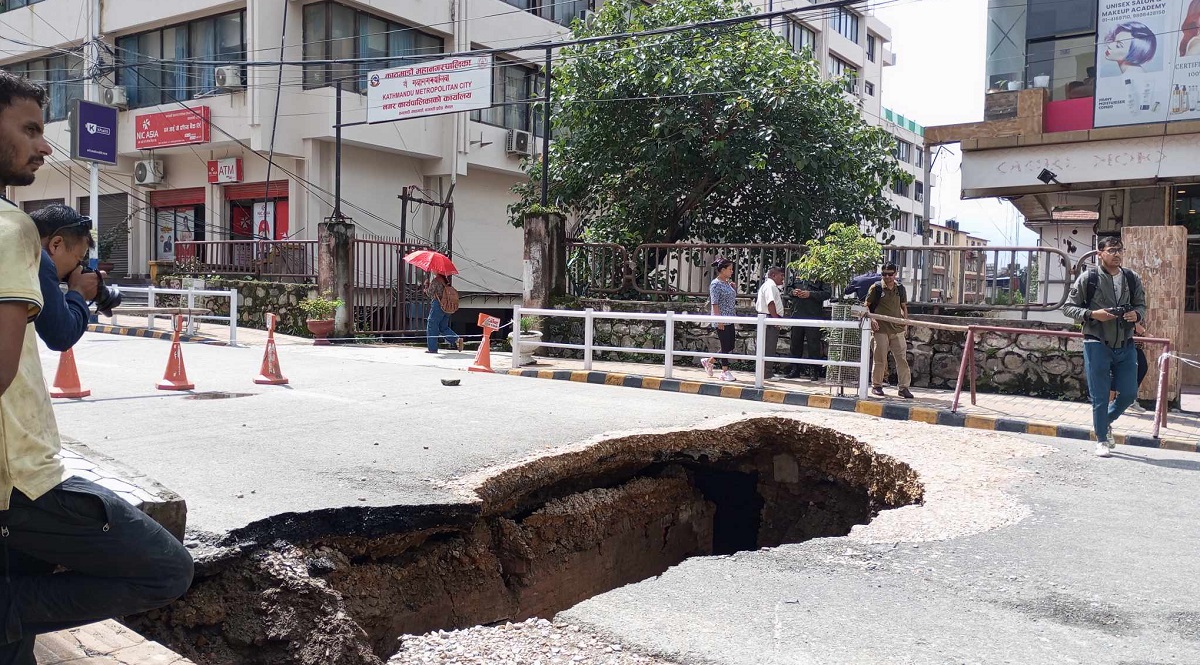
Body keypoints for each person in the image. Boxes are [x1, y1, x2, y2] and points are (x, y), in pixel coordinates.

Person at [0, 71, 193, 662]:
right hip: (23, 481)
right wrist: (77, 297)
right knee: (166, 570)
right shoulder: (11, 228)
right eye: (31, 128)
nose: (44, 145)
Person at [1063, 236, 1146, 458]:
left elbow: (1142, 305)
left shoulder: (1131, 277)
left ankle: (1104, 422)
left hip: (1126, 343)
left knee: (1129, 393)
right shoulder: (1088, 278)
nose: (1117, 254)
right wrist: (1092, 314)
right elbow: (1068, 308)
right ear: (1100, 254)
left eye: (1120, 250)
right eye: (1111, 250)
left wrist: (1136, 314)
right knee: (1100, 395)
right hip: (1096, 342)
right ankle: (1101, 440)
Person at [30, 204, 100, 351]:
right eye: (78, 259)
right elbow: (61, 336)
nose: (78, 267)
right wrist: (79, 291)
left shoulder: (16, 245)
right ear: (56, 244)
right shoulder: (38, 259)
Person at [865, 263, 914, 399]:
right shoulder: (876, 288)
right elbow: (866, 306)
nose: (887, 277)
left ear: (895, 274)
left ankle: (904, 388)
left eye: (890, 274)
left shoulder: (900, 288)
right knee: (880, 359)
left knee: (902, 360)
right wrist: (873, 320)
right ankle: (877, 385)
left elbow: (904, 307)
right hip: (880, 329)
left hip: (897, 329)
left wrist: (905, 323)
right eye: (884, 274)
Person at [785, 272, 831, 380]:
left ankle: (814, 371)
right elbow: (787, 289)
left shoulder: (820, 274)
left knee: (813, 345)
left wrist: (810, 294)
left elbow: (827, 293)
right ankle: (795, 369)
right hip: (797, 314)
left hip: (813, 316)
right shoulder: (797, 272)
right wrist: (793, 292)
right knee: (795, 344)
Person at [702, 259, 738, 382]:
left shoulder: (727, 283)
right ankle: (724, 371)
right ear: (722, 270)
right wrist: (719, 320)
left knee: (730, 344)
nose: (732, 271)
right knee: (724, 344)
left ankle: (710, 361)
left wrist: (733, 288)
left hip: (730, 317)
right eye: (730, 269)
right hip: (721, 318)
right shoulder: (715, 284)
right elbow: (715, 303)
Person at [755, 267, 785, 378]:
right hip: (769, 319)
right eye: (781, 275)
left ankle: (766, 372)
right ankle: (766, 373)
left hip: (768, 318)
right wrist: (775, 320)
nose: (783, 278)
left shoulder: (769, 286)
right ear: (773, 275)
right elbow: (770, 303)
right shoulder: (770, 286)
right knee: (768, 347)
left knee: (768, 346)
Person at [424, 273, 463, 354]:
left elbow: (430, 293)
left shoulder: (436, 281)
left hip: (438, 305)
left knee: (432, 325)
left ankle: (432, 349)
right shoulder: (446, 281)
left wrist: (426, 286)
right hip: (447, 306)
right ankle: (456, 339)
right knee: (443, 326)